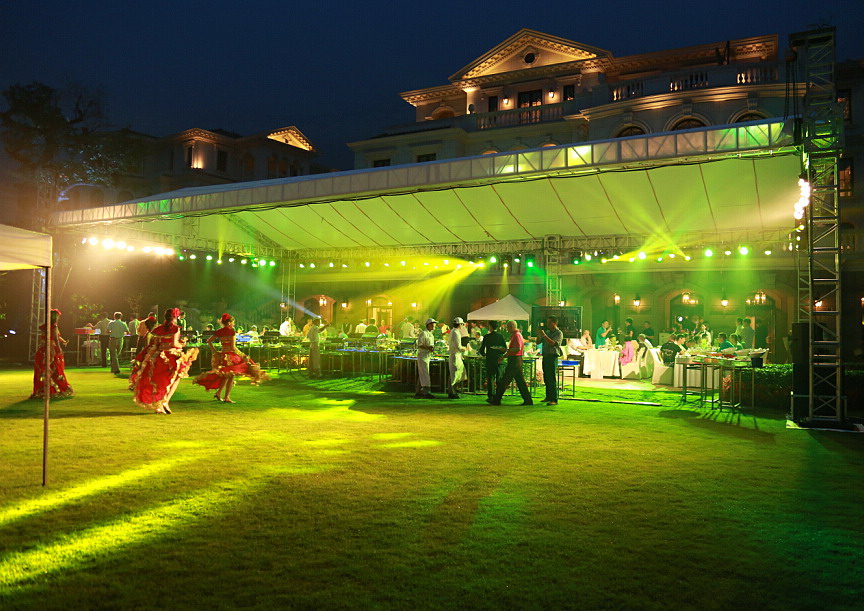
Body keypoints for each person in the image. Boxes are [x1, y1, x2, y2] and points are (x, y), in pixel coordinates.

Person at [131, 308, 199, 414]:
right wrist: (182, 344)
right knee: (175, 378)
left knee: (160, 381)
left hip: (159, 357)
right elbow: (174, 344)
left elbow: (155, 344)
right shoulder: (175, 329)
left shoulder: (158, 329)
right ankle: (165, 401)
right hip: (171, 356)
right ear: (175, 317)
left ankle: (160, 404)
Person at [194, 313, 270, 402]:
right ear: (229, 322)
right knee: (230, 375)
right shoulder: (231, 332)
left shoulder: (220, 331)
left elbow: (209, 341)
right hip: (231, 356)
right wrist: (242, 355)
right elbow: (233, 347)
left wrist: (215, 352)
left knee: (227, 376)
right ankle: (226, 397)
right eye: (233, 322)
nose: (234, 324)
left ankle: (220, 394)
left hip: (222, 355)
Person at [30, 308, 73, 399]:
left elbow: (54, 337)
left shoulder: (44, 327)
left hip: (42, 350)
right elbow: (55, 338)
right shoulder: (54, 327)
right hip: (51, 351)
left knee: (42, 369)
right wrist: (59, 348)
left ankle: (43, 390)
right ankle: (58, 389)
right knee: (56, 369)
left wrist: (63, 341)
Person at [488, 320, 533, 406]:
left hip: (514, 360)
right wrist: (504, 356)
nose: (507, 330)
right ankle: (528, 400)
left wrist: (505, 350)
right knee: (519, 381)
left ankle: (497, 399)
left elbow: (517, 348)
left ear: (511, 327)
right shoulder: (517, 335)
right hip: (516, 359)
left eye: (507, 328)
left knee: (505, 380)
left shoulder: (516, 335)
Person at [478, 320, 507, 401]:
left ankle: (491, 395)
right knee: (499, 377)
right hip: (499, 359)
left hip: (490, 359)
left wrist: (484, 355)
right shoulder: (500, 336)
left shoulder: (487, 337)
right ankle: (498, 394)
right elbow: (505, 348)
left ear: (490, 326)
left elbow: (481, 350)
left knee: (490, 377)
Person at [538, 315, 563, 406]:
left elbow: (553, 343)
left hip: (552, 356)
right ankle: (548, 396)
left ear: (554, 323)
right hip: (546, 355)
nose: (547, 324)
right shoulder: (547, 332)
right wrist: (539, 335)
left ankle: (554, 399)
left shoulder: (558, 333)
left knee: (552, 378)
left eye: (549, 322)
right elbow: (538, 342)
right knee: (546, 377)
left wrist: (544, 335)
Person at [447, 316, 468, 399]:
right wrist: (465, 348)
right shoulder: (456, 332)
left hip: (455, 355)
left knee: (457, 374)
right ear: (460, 325)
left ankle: (453, 390)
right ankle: (452, 392)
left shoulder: (453, 331)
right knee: (455, 375)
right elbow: (458, 346)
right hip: (455, 355)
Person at [415, 318, 437, 398]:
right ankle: (427, 392)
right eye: (432, 324)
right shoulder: (423, 333)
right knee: (425, 374)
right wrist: (428, 348)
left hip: (427, 356)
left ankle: (418, 391)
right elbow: (420, 345)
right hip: (422, 356)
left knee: (423, 374)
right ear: (428, 325)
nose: (434, 325)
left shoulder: (431, 334)